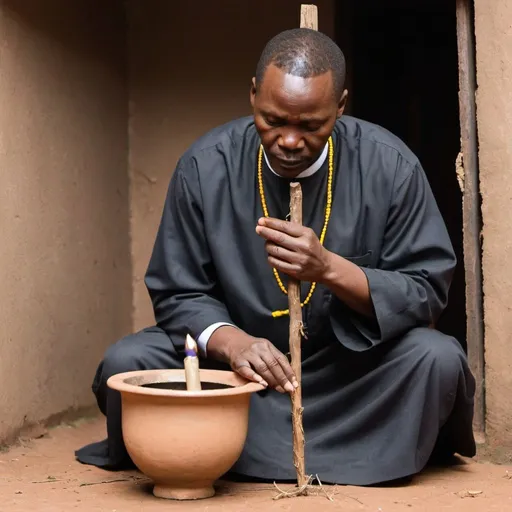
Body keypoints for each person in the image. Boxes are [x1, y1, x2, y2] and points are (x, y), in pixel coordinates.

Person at [75, 28, 476, 486]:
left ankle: (209, 450)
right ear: (252, 95)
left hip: (350, 376)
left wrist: (329, 269)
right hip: (238, 379)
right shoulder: (206, 166)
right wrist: (234, 343)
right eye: (273, 120)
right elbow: (176, 289)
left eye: (310, 126)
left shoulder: (390, 165)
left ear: (340, 107)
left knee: (437, 359)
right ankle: (229, 444)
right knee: (128, 362)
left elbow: (425, 290)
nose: (288, 140)